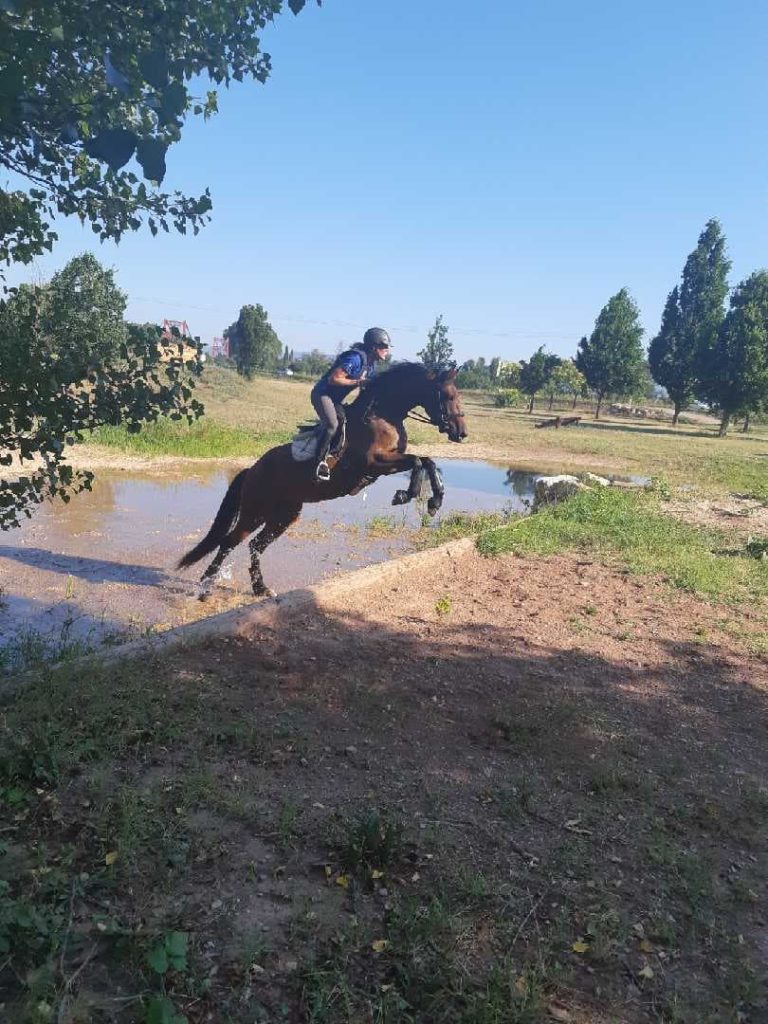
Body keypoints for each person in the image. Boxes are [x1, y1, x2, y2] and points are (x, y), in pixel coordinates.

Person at [310, 327, 391, 481]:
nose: (387, 350)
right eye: (384, 347)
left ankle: (341, 457)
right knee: (332, 425)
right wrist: (358, 381)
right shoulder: (356, 358)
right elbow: (334, 379)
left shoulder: (371, 365)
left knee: (350, 421)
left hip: (335, 400)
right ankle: (318, 462)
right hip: (322, 395)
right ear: (374, 347)